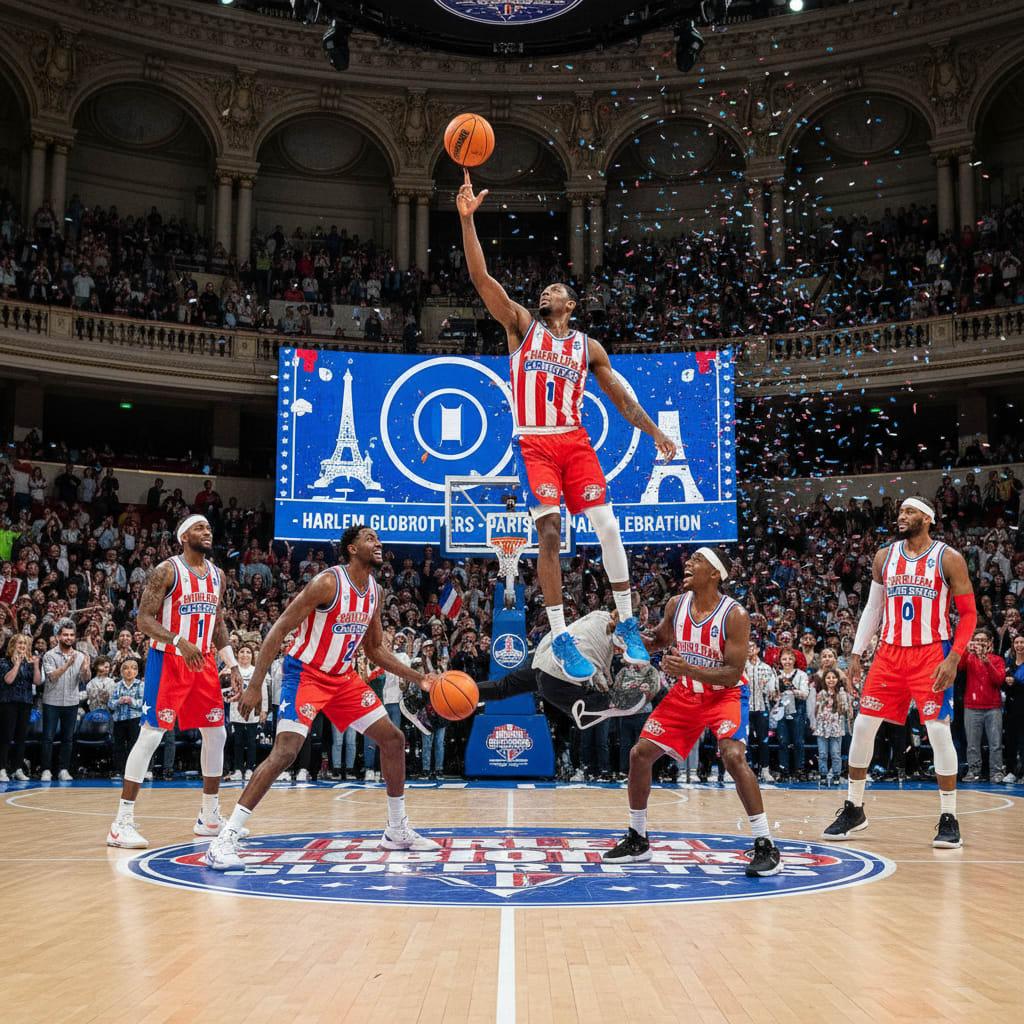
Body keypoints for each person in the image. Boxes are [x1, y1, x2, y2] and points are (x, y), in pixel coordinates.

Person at [457, 169, 676, 682]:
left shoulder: (586, 346)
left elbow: (621, 398)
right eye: (545, 288)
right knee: (550, 533)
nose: (546, 291)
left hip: (575, 442)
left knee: (608, 526)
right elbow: (482, 280)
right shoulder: (520, 326)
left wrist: (654, 431)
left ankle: (626, 623)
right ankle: (559, 634)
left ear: (571, 305)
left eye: (555, 288)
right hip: (534, 444)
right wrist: (467, 221)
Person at [206, 525, 442, 870]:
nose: (378, 543)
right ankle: (225, 838)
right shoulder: (328, 583)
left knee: (393, 740)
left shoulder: (374, 591)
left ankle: (396, 830)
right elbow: (279, 629)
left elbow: (375, 649)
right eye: (370, 538)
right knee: (285, 752)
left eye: (378, 539)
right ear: (351, 549)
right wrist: (255, 684)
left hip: (343, 678)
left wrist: (419, 678)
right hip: (305, 674)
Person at [604, 548, 782, 877]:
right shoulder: (676, 604)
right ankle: (638, 838)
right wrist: (627, 638)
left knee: (733, 756)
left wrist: (688, 668)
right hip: (686, 694)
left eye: (697, 560)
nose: (688, 563)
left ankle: (765, 844)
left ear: (714, 574)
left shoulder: (735, 615)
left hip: (725, 694)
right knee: (639, 755)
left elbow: (732, 673)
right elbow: (658, 641)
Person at [823, 497, 976, 849]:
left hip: (931, 652)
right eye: (900, 512)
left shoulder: (948, 558)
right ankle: (854, 808)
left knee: (938, 731)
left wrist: (954, 657)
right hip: (889, 653)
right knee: (863, 726)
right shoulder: (884, 556)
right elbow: (873, 607)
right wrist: (857, 651)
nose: (901, 516)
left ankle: (949, 817)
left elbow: (968, 614)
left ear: (928, 518)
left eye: (909, 512)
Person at [105, 515, 242, 849]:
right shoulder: (167, 570)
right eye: (199, 528)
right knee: (151, 735)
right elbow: (143, 620)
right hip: (168, 660)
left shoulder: (218, 575)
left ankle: (209, 817)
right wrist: (179, 640)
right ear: (183, 536)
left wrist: (233, 664)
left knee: (217, 733)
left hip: (203, 662)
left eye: (209, 528)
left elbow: (217, 623)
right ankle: (121, 823)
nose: (207, 531)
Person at [406, 610, 647, 737]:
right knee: (600, 701)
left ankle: (429, 715)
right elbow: (602, 675)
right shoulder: (606, 644)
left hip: (541, 662)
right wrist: (613, 690)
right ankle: (588, 711)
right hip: (556, 679)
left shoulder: (597, 616)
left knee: (499, 688)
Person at [41, 620, 92, 781]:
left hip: (71, 701)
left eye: (71, 635)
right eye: (65, 635)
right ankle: (46, 770)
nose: (68, 638)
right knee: (48, 737)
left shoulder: (80, 656)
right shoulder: (49, 655)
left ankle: (63, 769)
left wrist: (85, 668)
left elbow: (85, 679)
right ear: (58, 636)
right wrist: (68, 664)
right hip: (51, 702)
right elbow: (52, 677)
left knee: (68, 738)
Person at [961, 630, 1006, 783]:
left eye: (983, 640)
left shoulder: (997, 660)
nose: (979, 643)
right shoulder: (968, 658)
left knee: (995, 743)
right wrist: (965, 650)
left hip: (993, 707)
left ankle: (996, 772)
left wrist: (986, 661)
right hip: (972, 706)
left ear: (989, 642)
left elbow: (999, 680)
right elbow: (958, 667)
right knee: (972, 744)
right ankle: (974, 772)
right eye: (977, 640)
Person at [0, 634, 41, 781]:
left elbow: (37, 682)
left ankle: (17, 769)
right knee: (6, 737)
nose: (22, 646)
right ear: (13, 645)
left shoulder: (28, 663)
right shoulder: (4, 662)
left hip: (25, 703)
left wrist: (36, 665)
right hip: (8, 703)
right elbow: (8, 680)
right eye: (20, 643)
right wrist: (17, 664)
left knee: (21, 738)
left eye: (25, 644)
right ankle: (2, 769)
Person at [228, 643, 266, 781]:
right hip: (236, 710)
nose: (245, 654)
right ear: (237, 654)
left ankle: (250, 768)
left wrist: (264, 709)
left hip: (253, 711)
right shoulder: (231, 671)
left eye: (248, 652)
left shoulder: (257, 671)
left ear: (252, 655)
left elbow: (263, 691)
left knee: (251, 742)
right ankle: (238, 769)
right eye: (242, 651)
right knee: (237, 742)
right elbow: (225, 691)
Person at [108, 657, 144, 779]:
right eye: (126, 668)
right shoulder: (116, 686)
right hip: (119, 720)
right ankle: (119, 771)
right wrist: (119, 701)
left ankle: (133, 772)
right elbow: (110, 704)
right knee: (118, 746)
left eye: (133, 668)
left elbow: (143, 703)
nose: (129, 671)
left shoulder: (141, 685)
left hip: (135, 719)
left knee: (134, 746)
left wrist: (131, 701)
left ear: (137, 672)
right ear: (121, 672)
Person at [813, 669, 850, 784]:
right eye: (828, 678)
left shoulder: (841, 694)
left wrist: (843, 699)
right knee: (822, 754)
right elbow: (816, 710)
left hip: (836, 728)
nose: (831, 680)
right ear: (824, 680)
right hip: (822, 728)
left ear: (838, 679)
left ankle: (836, 775)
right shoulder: (821, 693)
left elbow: (845, 710)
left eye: (834, 677)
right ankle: (823, 775)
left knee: (835, 754)